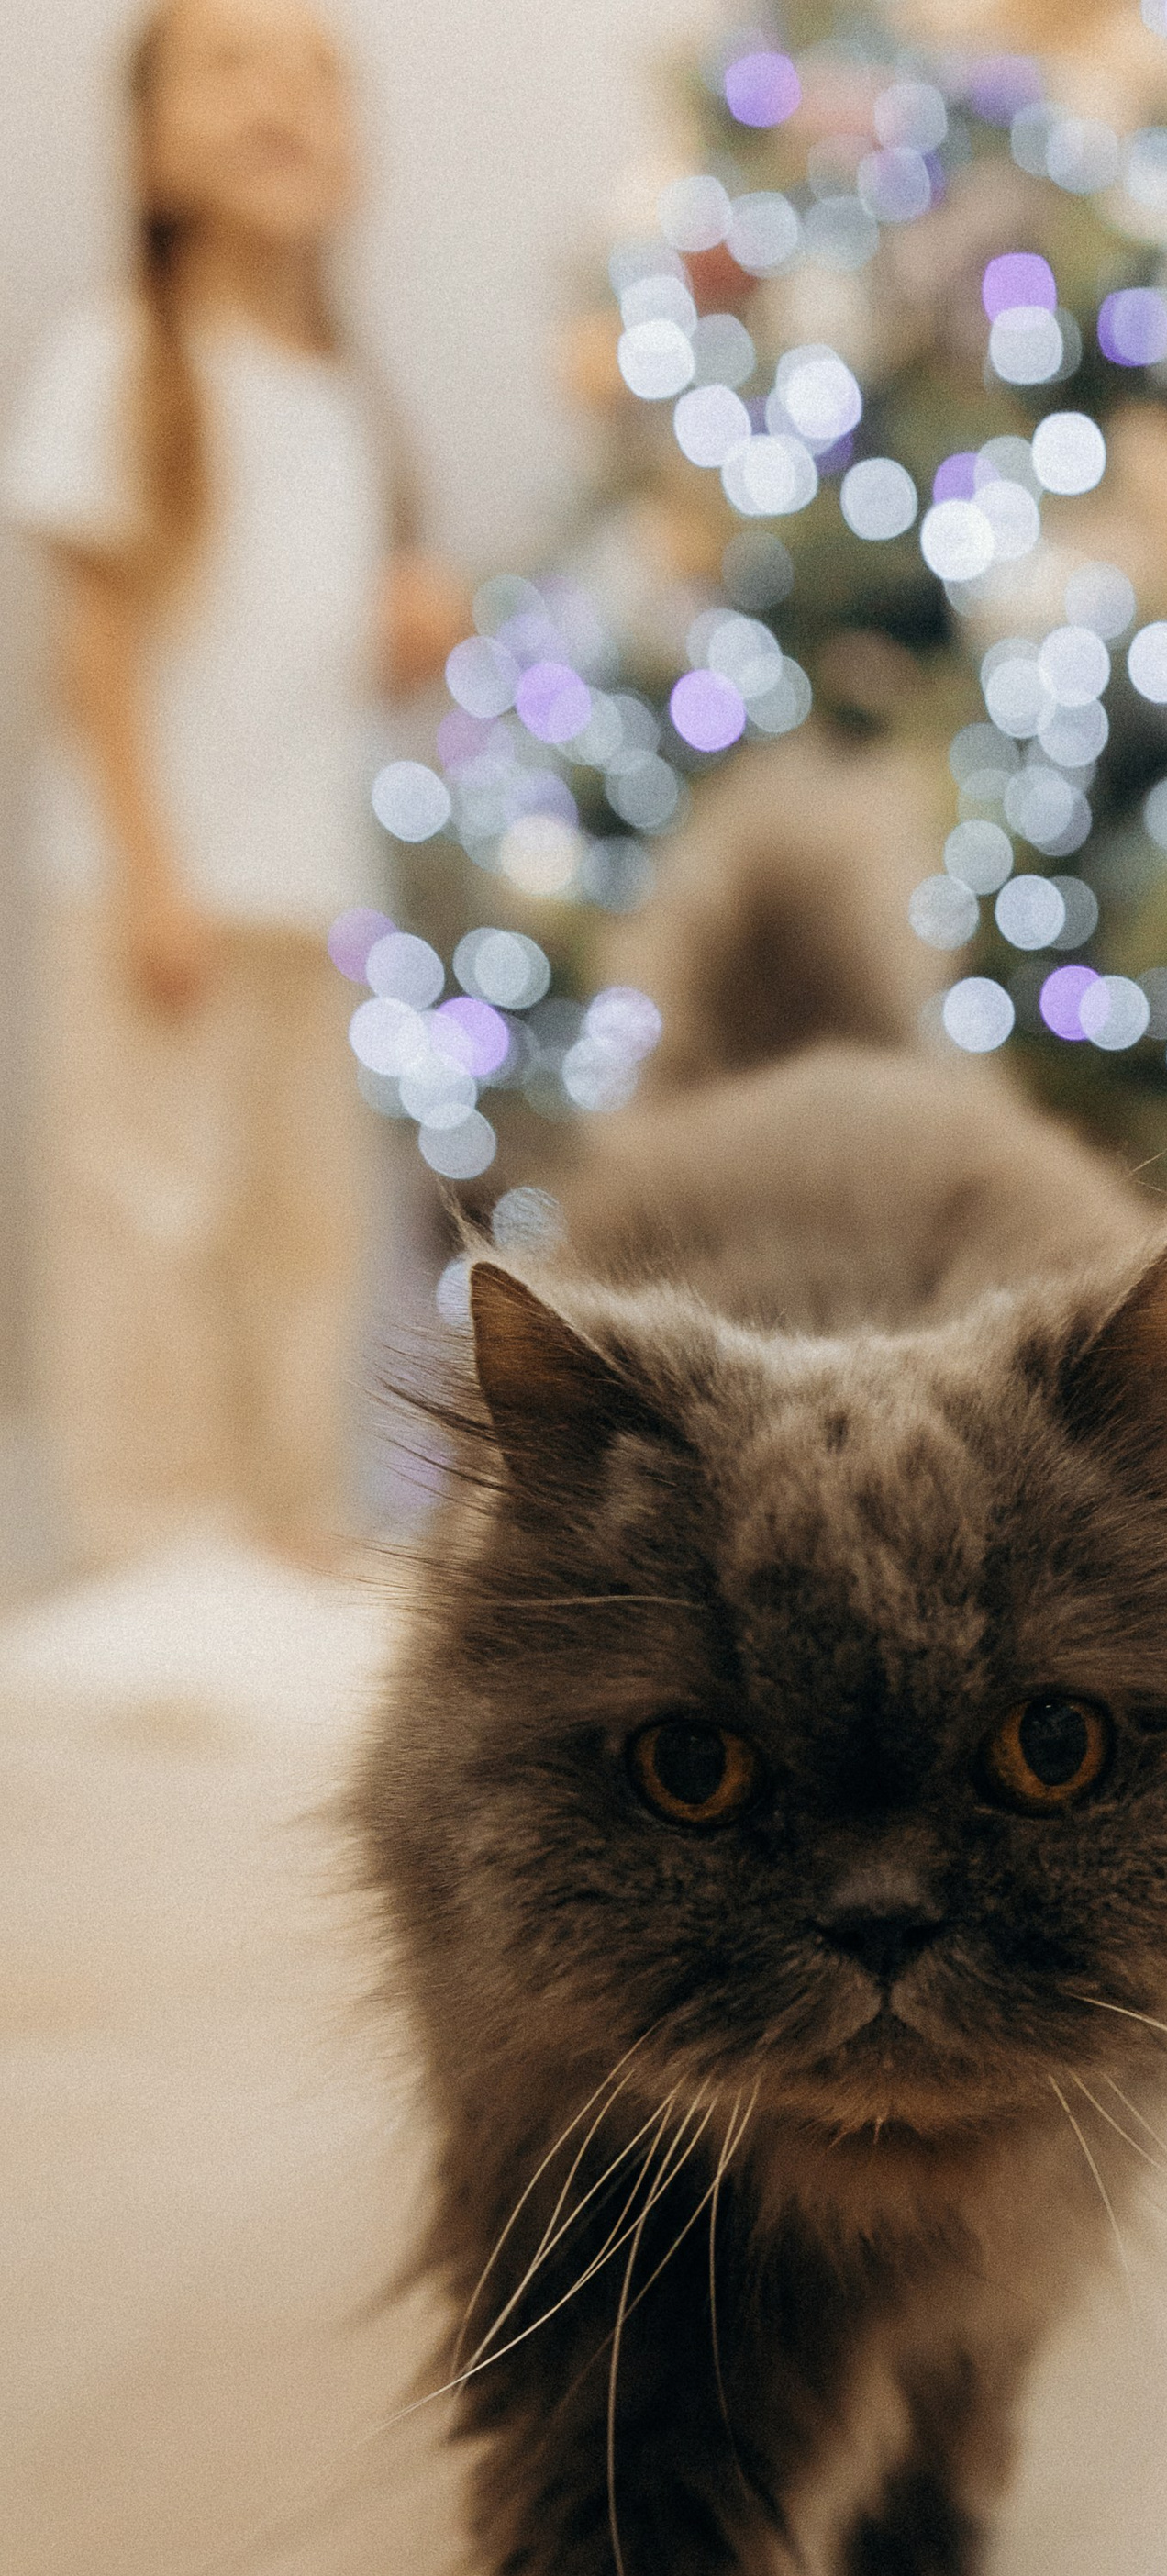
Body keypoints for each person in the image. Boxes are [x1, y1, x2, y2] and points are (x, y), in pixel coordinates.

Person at [3, 0, 468, 1571]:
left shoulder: (341, 395)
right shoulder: (125, 358)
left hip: (312, 887)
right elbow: (99, 653)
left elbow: (312, 655)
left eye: (316, 74)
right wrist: (149, 870)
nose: (282, 99)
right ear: (146, 141)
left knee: (299, 1225)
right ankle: (155, 1531)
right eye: (231, 65)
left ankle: (287, 1514)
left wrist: (407, 634)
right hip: (161, 885)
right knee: (149, 1211)